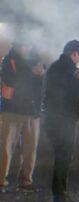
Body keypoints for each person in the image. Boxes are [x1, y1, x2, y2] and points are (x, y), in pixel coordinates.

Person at [42, 40, 79, 202]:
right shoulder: (73, 70)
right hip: (65, 120)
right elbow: (78, 96)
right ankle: (60, 197)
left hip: (51, 118)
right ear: (74, 53)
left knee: (60, 156)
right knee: (64, 158)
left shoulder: (53, 67)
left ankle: (59, 195)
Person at [0, 41, 45, 192]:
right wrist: (32, 73)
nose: (28, 48)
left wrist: (40, 74)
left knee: (30, 149)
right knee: (5, 147)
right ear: (18, 47)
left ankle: (26, 180)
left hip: (32, 112)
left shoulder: (34, 60)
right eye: (25, 45)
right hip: (11, 110)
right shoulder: (9, 60)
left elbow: (40, 84)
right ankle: (1, 179)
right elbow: (11, 80)